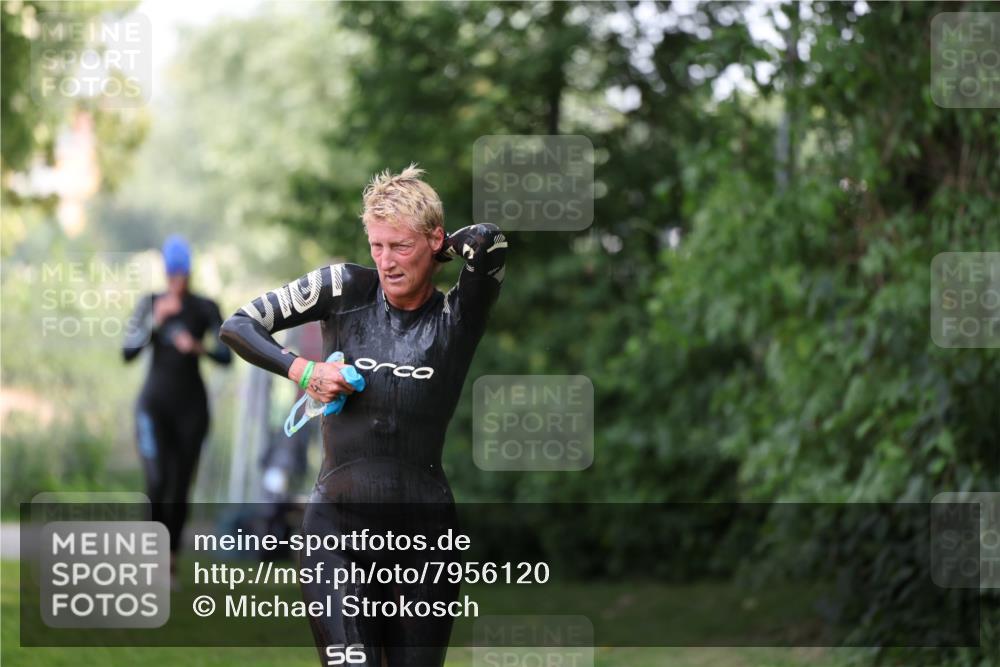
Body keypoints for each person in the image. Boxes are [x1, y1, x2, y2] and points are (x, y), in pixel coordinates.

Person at [219, 164, 507, 666]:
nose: (386, 262)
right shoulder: (343, 289)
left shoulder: (459, 315)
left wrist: (443, 242)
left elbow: (489, 243)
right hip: (337, 532)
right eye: (377, 245)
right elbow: (239, 325)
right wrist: (302, 370)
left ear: (434, 243)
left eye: (400, 246)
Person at [122, 235, 232, 582]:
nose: (177, 283)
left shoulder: (205, 307)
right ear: (165, 274)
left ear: (190, 274)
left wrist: (199, 348)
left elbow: (227, 355)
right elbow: (127, 352)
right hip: (153, 407)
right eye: (172, 275)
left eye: (182, 275)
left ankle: (169, 560)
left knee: (180, 485)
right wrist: (155, 321)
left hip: (191, 410)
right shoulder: (150, 303)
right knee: (156, 481)